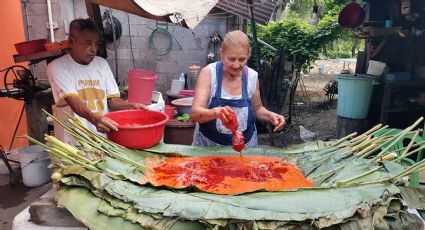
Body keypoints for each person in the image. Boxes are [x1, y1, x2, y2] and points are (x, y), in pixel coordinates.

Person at [47, 18, 146, 143]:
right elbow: (73, 101)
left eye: (96, 43)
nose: (94, 49)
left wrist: (130, 106)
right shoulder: (57, 67)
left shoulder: (102, 64)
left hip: (103, 140)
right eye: (88, 43)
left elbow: (112, 101)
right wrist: (95, 119)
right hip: (74, 144)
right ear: (71, 42)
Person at [191, 30, 285, 147]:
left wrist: (271, 116)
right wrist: (216, 112)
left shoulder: (252, 76)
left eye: (242, 60)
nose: (236, 65)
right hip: (209, 149)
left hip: (245, 149)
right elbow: (195, 114)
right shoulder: (209, 73)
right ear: (222, 54)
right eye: (231, 59)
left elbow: (257, 109)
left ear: (248, 56)